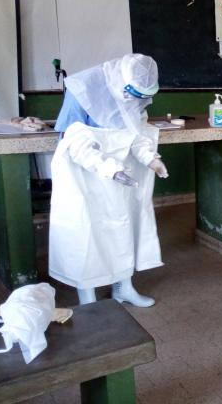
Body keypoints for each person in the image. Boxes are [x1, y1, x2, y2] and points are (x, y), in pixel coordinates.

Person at [48, 54, 169, 307]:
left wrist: (150, 158)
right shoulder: (82, 89)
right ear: (122, 82)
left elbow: (136, 134)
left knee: (121, 227)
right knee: (89, 235)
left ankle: (123, 288)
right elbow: (73, 143)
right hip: (84, 175)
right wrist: (107, 167)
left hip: (120, 176)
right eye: (135, 94)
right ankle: (89, 300)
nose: (138, 102)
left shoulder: (133, 94)